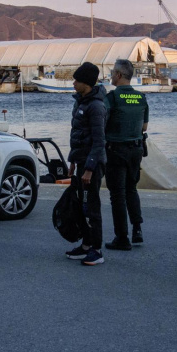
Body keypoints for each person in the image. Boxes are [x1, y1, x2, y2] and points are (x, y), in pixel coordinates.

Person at [64, 62, 107, 266]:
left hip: (93, 166)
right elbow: (77, 135)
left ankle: (97, 250)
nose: (73, 83)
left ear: (86, 83)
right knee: (80, 206)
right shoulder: (80, 102)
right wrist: (72, 161)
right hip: (81, 162)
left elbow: (99, 141)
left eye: (77, 80)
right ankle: (86, 245)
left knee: (92, 207)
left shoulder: (96, 106)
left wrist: (89, 169)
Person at [103, 59, 148, 251]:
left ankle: (122, 237)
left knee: (117, 194)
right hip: (136, 150)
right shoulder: (141, 97)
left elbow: (102, 121)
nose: (111, 75)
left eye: (113, 72)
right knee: (131, 189)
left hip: (116, 150)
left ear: (119, 75)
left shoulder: (112, 98)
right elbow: (144, 126)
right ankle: (137, 229)